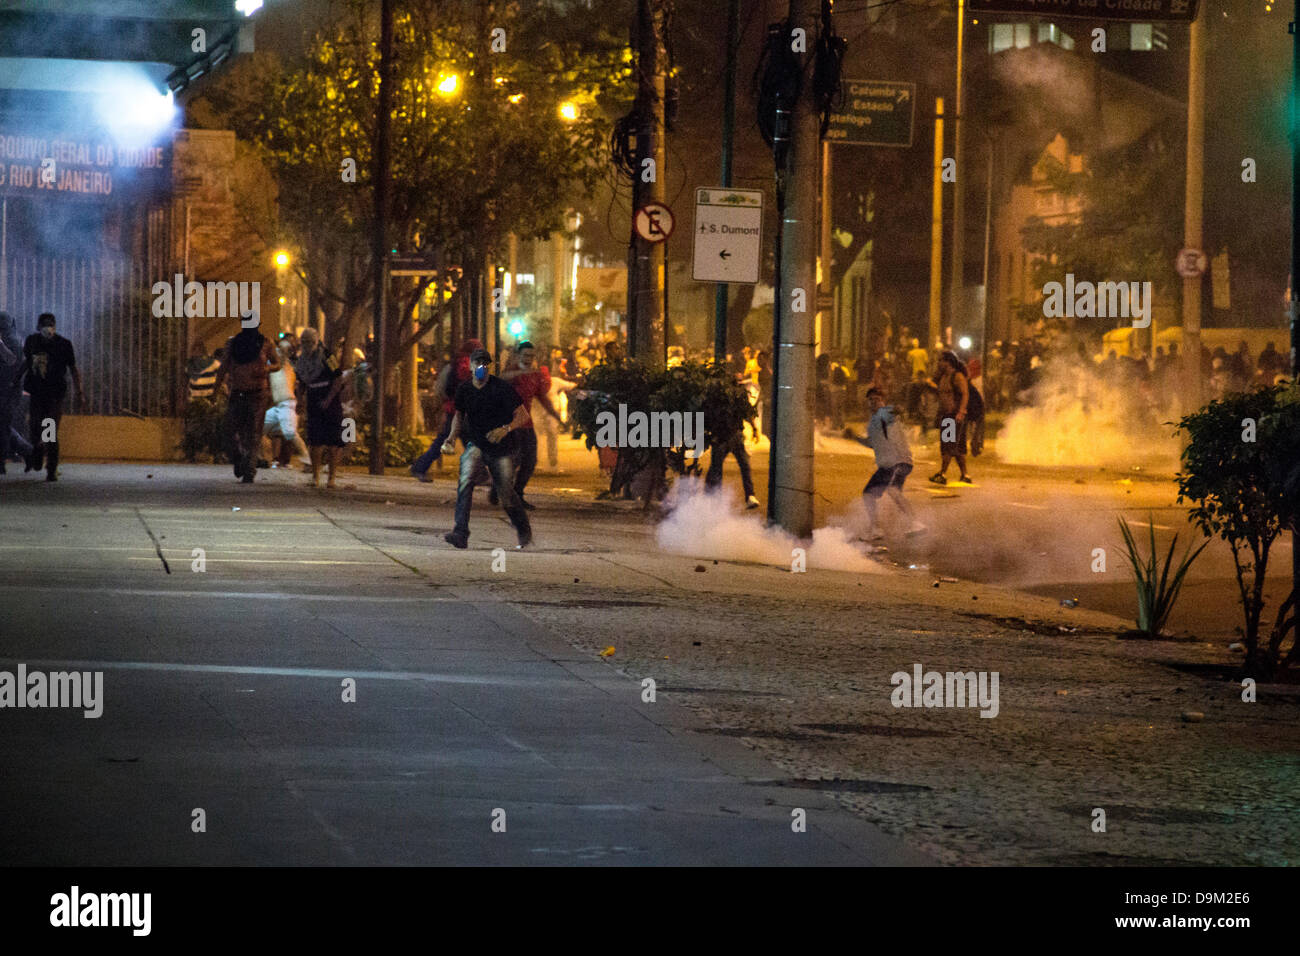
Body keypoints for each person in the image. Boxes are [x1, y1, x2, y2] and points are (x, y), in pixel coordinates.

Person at [441, 347, 533, 550]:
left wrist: (505, 429)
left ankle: (523, 528)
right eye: (477, 364)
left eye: (485, 364)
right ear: (471, 366)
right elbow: (459, 415)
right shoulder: (465, 389)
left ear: (490, 367)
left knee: (505, 493)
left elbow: (523, 415)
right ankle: (460, 533)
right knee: (465, 482)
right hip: (477, 445)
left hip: (502, 449)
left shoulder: (501, 388)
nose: (481, 368)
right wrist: (450, 438)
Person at [845, 387, 925, 540]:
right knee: (868, 494)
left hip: (899, 462)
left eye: (877, 399)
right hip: (887, 466)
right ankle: (876, 529)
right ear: (867, 402)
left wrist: (898, 409)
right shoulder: (872, 422)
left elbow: (895, 411)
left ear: (883, 401)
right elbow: (871, 443)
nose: (874, 402)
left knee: (893, 490)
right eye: (871, 400)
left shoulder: (884, 413)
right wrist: (855, 437)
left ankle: (916, 523)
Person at [496, 341, 563, 509]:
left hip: (526, 424)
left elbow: (543, 398)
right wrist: (521, 372)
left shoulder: (535, 375)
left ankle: (517, 493)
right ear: (519, 356)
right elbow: (500, 380)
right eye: (525, 355)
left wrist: (556, 416)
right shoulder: (512, 372)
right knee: (514, 460)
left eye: (531, 356)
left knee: (530, 461)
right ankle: (503, 490)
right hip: (510, 423)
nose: (528, 359)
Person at [215, 318, 279, 483]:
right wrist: (215, 390)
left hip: (258, 394)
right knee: (229, 430)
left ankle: (249, 470)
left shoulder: (266, 343)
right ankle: (239, 460)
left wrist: (266, 369)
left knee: (254, 433)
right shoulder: (233, 343)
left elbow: (278, 364)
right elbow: (223, 367)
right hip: (237, 393)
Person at [22, 313, 83, 482]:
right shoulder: (32, 342)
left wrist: (79, 392)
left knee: (50, 430)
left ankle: (51, 467)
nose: (47, 328)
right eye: (44, 324)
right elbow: (26, 363)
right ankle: (38, 448)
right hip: (37, 393)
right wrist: (15, 380)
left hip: (54, 395)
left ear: (55, 326)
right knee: (35, 427)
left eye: (50, 324)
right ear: (38, 326)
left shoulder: (63, 345)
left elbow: (73, 369)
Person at [410, 338, 480, 481]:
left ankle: (420, 467)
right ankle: (419, 467)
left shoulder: (457, 363)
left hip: (455, 410)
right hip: (460, 411)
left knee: (462, 442)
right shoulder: (466, 364)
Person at [294, 327, 346, 488]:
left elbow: (338, 378)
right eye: (304, 342)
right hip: (313, 401)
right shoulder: (301, 361)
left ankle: (331, 478)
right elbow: (302, 383)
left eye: (310, 341)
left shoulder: (327, 356)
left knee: (333, 443)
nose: (307, 345)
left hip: (331, 403)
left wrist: (329, 399)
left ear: (317, 341)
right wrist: (299, 401)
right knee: (315, 442)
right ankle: (315, 477)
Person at [262, 336, 310, 470]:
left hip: (287, 404)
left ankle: (308, 461)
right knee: (258, 429)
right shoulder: (273, 365)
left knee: (290, 433)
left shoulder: (285, 364)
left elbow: (282, 352)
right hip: (278, 406)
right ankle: (258, 458)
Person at [928, 350, 971, 485]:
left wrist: (961, 412)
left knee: (948, 446)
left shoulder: (957, 376)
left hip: (954, 416)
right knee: (956, 448)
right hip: (946, 415)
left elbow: (965, 394)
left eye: (941, 360)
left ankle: (943, 473)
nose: (939, 363)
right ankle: (965, 474)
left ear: (948, 362)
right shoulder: (943, 377)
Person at [0, 312, 34, 474]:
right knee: (3, 424)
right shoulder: (14, 340)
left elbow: (12, 365)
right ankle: (28, 451)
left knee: (3, 424)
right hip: (9, 389)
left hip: (8, 389)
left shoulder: (11, 342)